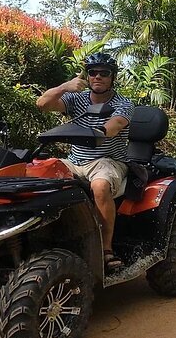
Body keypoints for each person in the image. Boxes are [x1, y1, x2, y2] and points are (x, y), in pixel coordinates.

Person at [37, 53, 134, 274]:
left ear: (112, 77)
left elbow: (114, 126)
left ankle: (106, 249)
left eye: (104, 73)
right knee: (39, 174)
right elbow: (42, 103)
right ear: (87, 76)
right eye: (93, 72)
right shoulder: (77, 99)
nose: (98, 77)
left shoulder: (123, 103)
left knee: (99, 186)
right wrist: (65, 86)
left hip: (108, 161)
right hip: (75, 161)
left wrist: (96, 131)